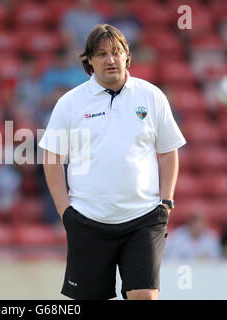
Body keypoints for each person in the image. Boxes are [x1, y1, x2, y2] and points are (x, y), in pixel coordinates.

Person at [39, 24, 186, 300]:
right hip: (88, 219)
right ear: (89, 61)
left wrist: (166, 202)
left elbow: (168, 151)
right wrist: (65, 212)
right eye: (102, 54)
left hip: (143, 217)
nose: (111, 59)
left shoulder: (152, 96)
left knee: (144, 295)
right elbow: (52, 158)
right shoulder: (70, 103)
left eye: (117, 52)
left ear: (127, 56)